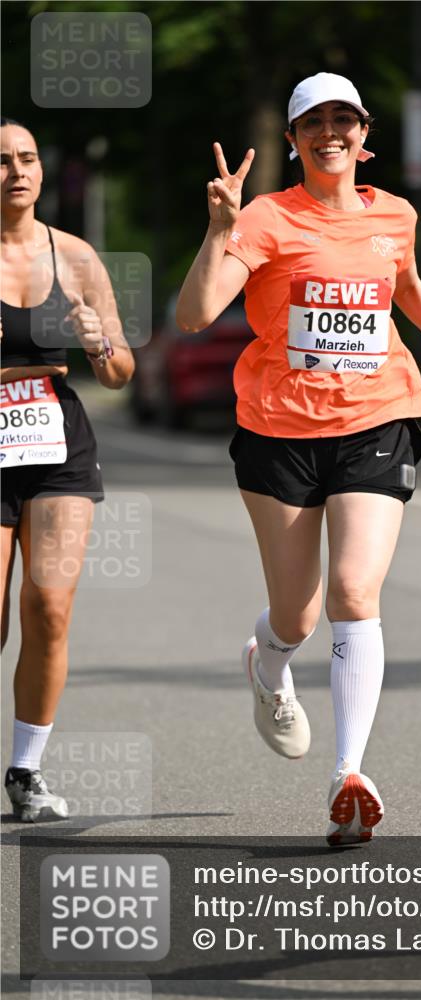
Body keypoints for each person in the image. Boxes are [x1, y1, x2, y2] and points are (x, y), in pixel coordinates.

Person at [177, 72, 421, 845]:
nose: (330, 133)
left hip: (376, 418)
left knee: (355, 589)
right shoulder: (265, 217)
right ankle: (268, 663)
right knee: (297, 612)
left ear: (364, 134)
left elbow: (406, 286)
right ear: (292, 139)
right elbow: (194, 315)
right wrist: (219, 230)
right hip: (278, 428)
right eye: (312, 121)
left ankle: (348, 773)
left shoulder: (395, 214)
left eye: (343, 120)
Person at [1, 118, 134, 822]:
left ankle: (26, 770)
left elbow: (119, 372)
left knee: (49, 609)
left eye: (27, 158)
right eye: (1, 161)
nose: (17, 171)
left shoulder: (75, 256)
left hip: (56, 445)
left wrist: (99, 342)